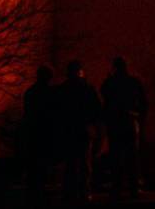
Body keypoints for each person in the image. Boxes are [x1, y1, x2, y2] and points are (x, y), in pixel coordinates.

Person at [101, 57, 147, 200]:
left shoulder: (109, 83)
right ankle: (134, 187)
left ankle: (116, 187)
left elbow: (105, 97)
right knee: (132, 156)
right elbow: (144, 102)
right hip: (130, 121)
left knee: (116, 156)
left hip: (115, 123)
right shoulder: (134, 82)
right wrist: (140, 117)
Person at [57, 60, 101, 203]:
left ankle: (69, 193)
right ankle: (84, 192)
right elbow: (97, 110)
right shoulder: (88, 89)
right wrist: (94, 126)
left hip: (68, 130)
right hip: (83, 129)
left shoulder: (63, 89)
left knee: (70, 163)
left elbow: (56, 111)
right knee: (84, 163)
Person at [23, 65, 56, 206]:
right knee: (43, 166)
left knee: (34, 166)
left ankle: (34, 194)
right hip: (44, 134)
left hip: (33, 133)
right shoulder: (50, 93)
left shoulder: (30, 92)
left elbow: (28, 113)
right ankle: (40, 194)